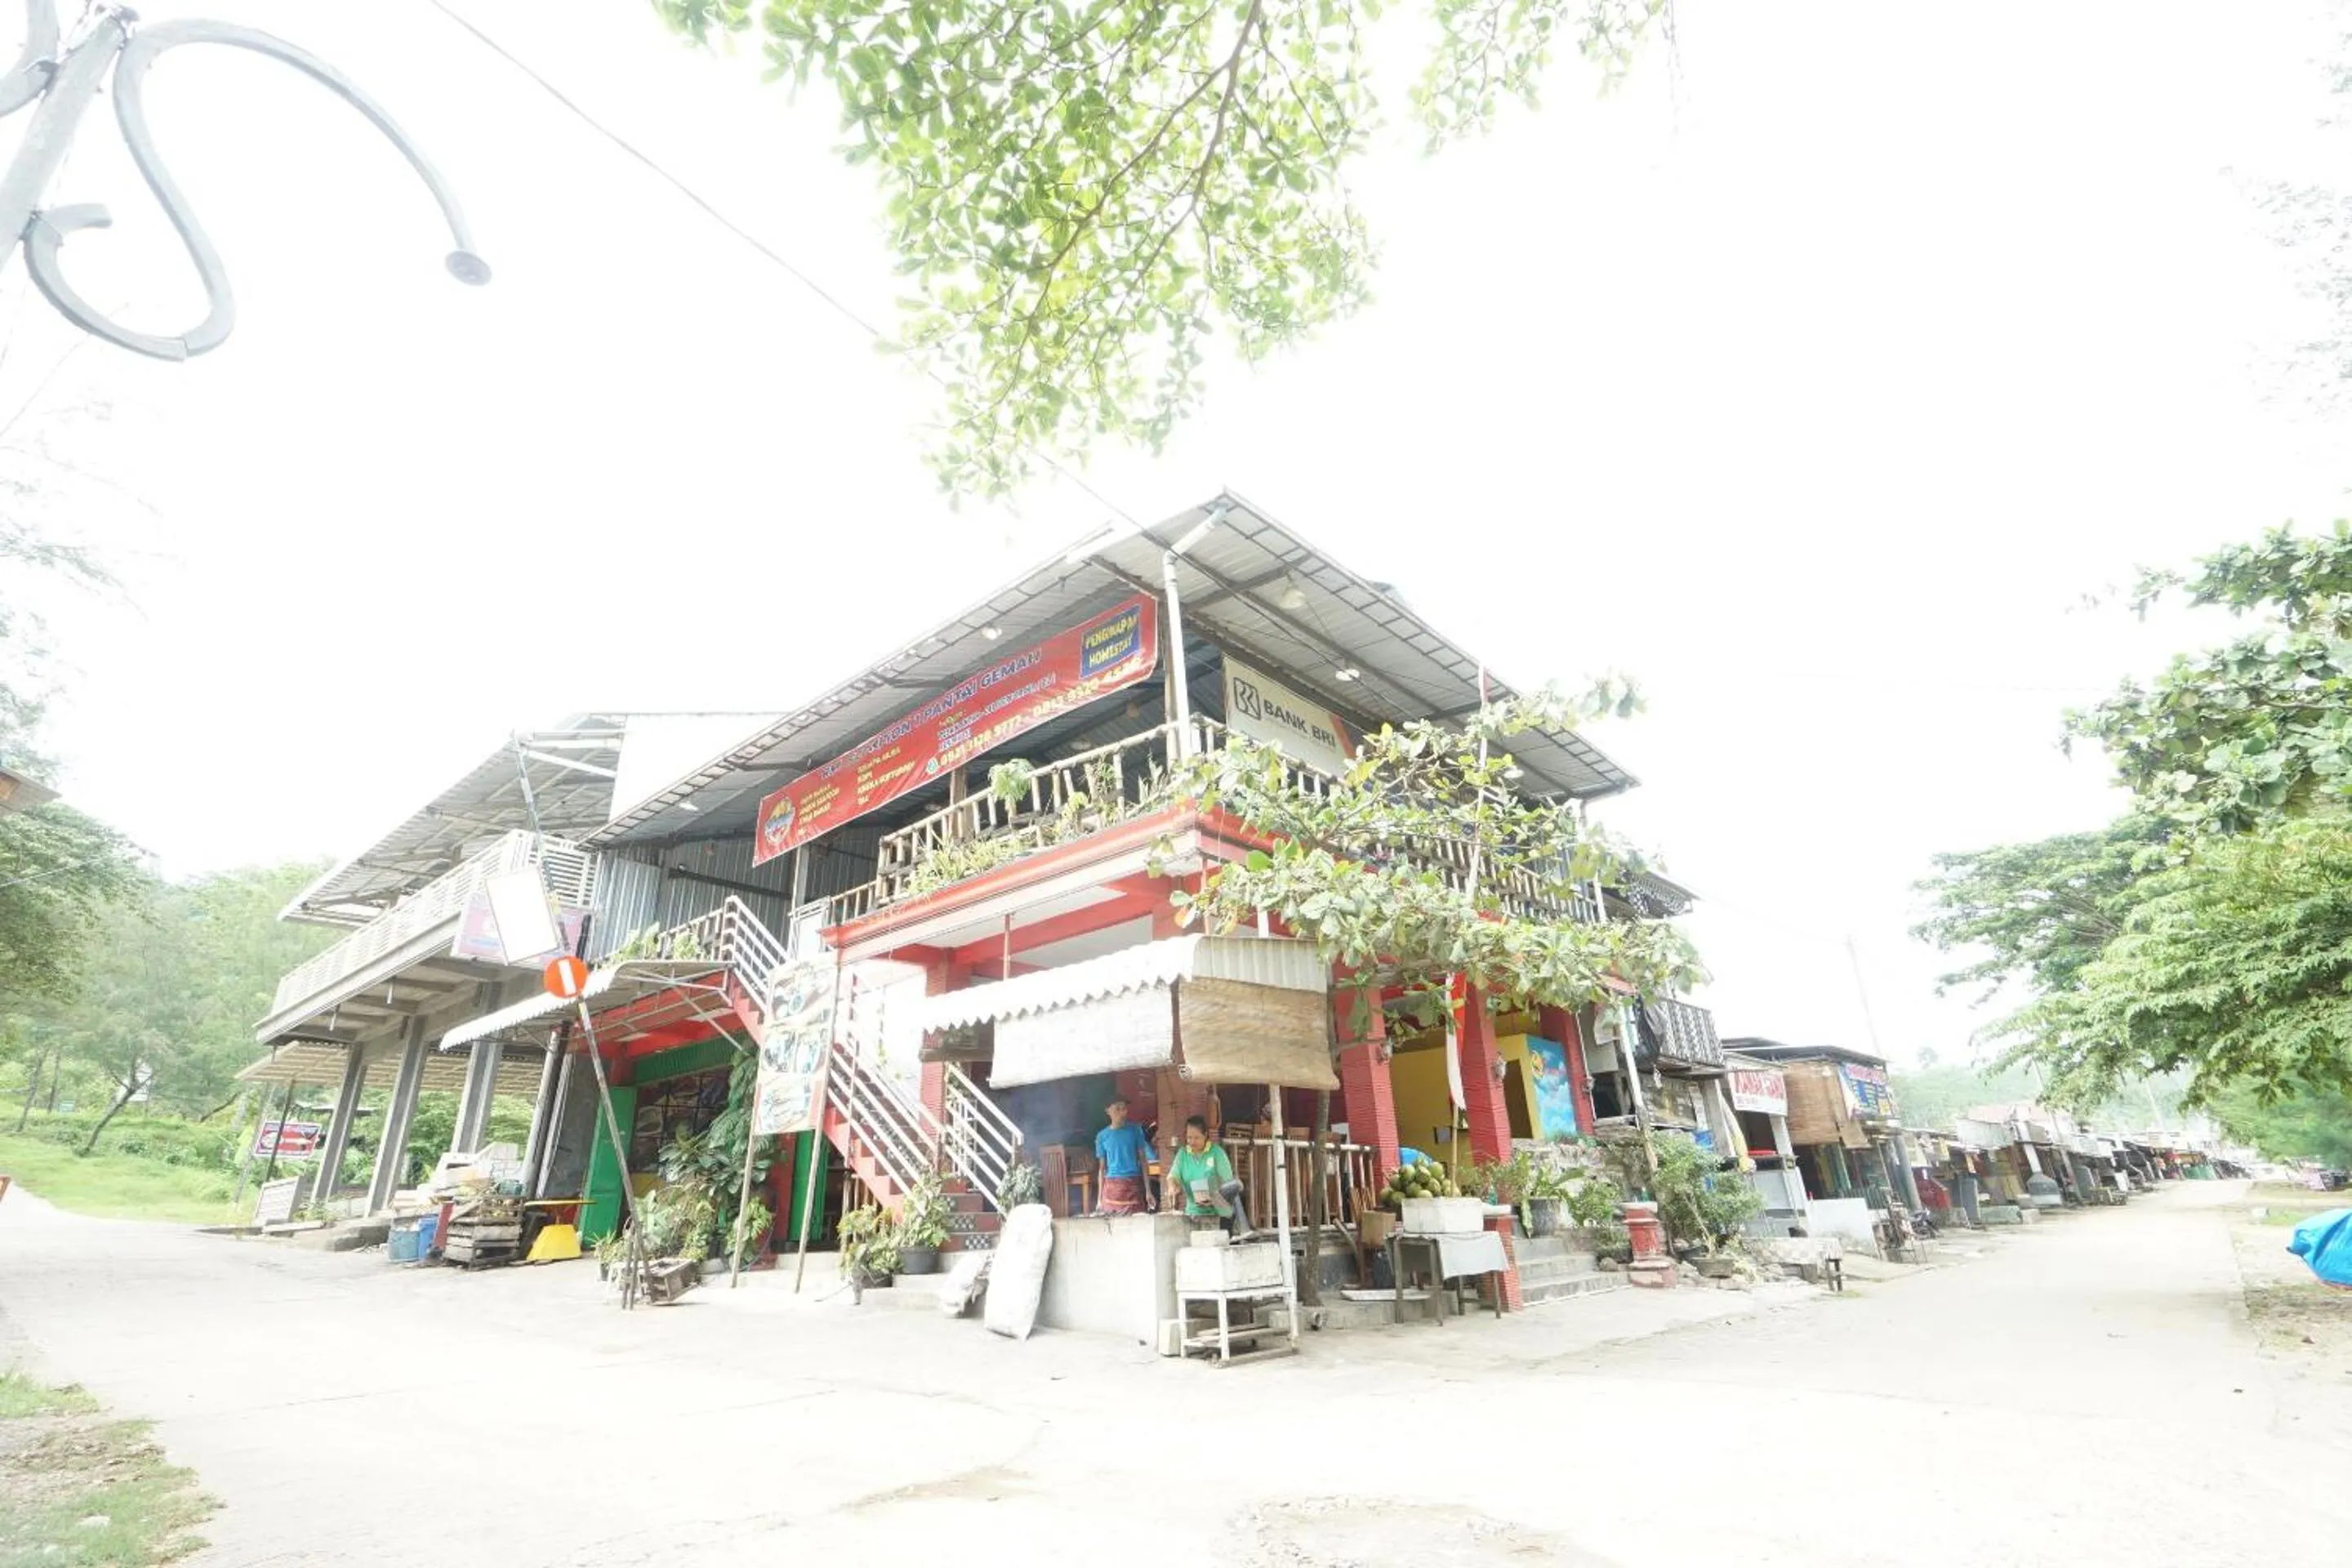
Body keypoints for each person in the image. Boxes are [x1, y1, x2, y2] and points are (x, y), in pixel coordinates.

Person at [1168, 1114, 1250, 1239]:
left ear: (1205, 1135)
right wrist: (1173, 1187)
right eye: (1189, 1137)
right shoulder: (1183, 1154)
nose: (1192, 1142)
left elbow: (1228, 1183)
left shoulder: (1216, 1153)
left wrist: (1213, 1197)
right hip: (1194, 1214)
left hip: (1220, 1214)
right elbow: (1173, 1176)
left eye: (1196, 1138)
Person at [1093, 1096, 1156, 1214]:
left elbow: (1143, 1161)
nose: (1122, 1113)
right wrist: (1099, 1200)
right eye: (1118, 1109)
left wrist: (1148, 1191)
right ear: (1108, 1111)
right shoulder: (1102, 1136)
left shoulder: (1136, 1131)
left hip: (1133, 1185)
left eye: (1124, 1109)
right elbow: (1102, 1169)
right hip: (1111, 1188)